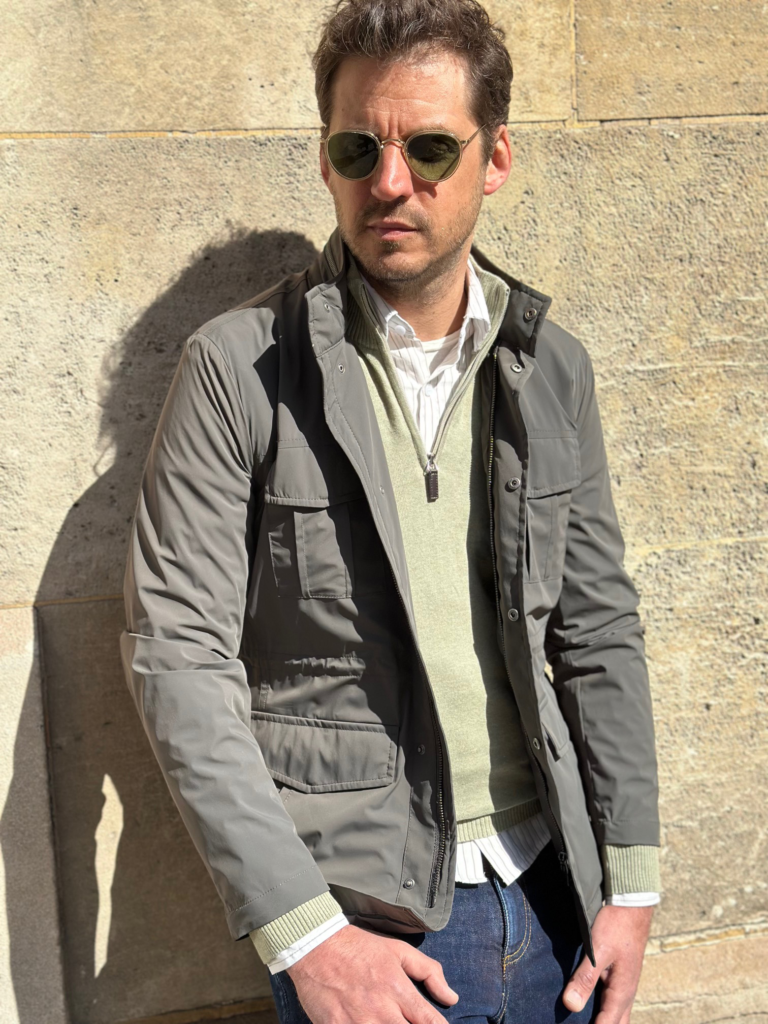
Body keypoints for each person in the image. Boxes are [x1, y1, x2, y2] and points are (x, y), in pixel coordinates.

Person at [120, 1, 661, 1022]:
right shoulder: (239, 368)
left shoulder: (550, 368)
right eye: (358, 148)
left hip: (561, 898)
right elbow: (178, 656)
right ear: (327, 160)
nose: (391, 181)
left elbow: (597, 629)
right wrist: (307, 936)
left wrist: (630, 883)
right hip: (372, 930)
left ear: (495, 158)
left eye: (430, 148)